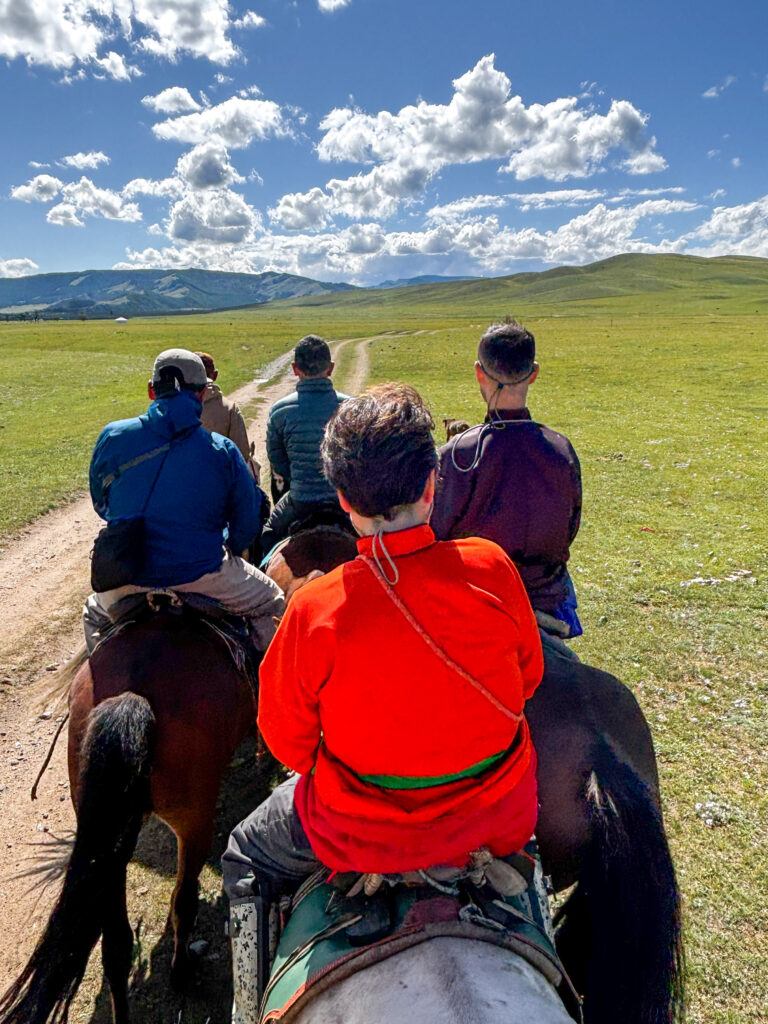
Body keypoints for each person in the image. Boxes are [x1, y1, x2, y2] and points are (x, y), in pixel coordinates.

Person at [223, 384, 543, 1006]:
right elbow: (527, 680)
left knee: (244, 854)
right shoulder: (491, 566)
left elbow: (287, 741)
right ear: (432, 484)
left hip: (354, 832)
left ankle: (245, 1005)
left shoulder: (315, 607)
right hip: (495, 819)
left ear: (344, 500)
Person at [82, 348, 284, 653]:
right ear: (202, 394)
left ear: (151, 391)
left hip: (128, 575)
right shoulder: (223, 450)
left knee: (91, 614)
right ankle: (264, 681)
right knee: (273, 601)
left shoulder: (112, 436)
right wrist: (229, 546)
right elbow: (245, 524)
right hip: (202, 572)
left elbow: (102, 505)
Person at [431, 321, 582, 642]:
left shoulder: (457, 454)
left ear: (479, 372)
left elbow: (436, 535)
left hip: (477, 601)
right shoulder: (561, 449)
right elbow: (569, 529)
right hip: (545, 597)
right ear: (534, 373)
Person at [261, 335, 348, 555]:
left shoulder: (280, 411)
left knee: (268, 534)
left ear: (294, 369)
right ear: (330, 368)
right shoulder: (352, 407)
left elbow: (278, 462)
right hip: (344, 502)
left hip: (300, 501)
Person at [194, 350, 256, 470]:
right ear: (215, 375)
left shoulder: (173, 408)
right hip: (219, 475)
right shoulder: (229, 408)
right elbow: (242, 453)